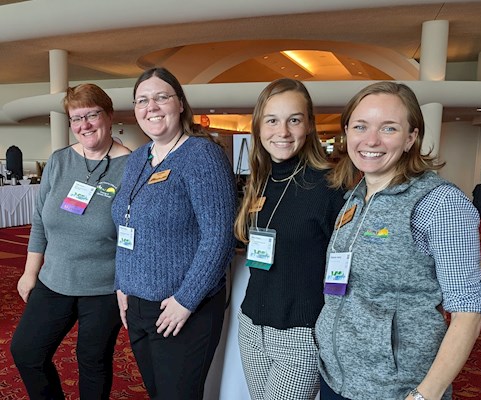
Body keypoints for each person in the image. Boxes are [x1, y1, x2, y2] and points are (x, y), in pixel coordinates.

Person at [316, 81, 481, 400]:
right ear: (347, 132)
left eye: (389, 128)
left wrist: (426, 394)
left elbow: (468, 311)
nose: (371, 140)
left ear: (411, 138)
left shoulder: (441, 204)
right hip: (337, 379)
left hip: (396, 391)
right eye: (360, 126)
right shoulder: (355, 196)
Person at [111, 67, 236, 400]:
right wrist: (122, 285)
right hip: (136, 306)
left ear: (180, 103)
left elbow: (219, 237)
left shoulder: (202, 155)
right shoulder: (138, 158)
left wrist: (185, 300)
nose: (151, 106)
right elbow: (126, 223)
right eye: (142, 100)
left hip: (181, 309)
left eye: (161, 97)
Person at [10, 83, 131, 399]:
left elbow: (135, 235)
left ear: (108, 115)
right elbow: (40, 221)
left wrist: (128, 286)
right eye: (76, 119)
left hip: (104, 287)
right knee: (26, 352)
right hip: (55, 279)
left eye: (92, 115)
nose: (84, 125)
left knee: (92, 362)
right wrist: (29, 272)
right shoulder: (59, 161)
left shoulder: (131, 167)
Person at [234, 78, 345, 400]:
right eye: (272, 120)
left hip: (300, 332)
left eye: (293, 120)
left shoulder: (329, 186)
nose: (282, 132)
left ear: (309, 125)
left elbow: (345, 269)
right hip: (252, 323)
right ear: (258, 126)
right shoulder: (261, 179)